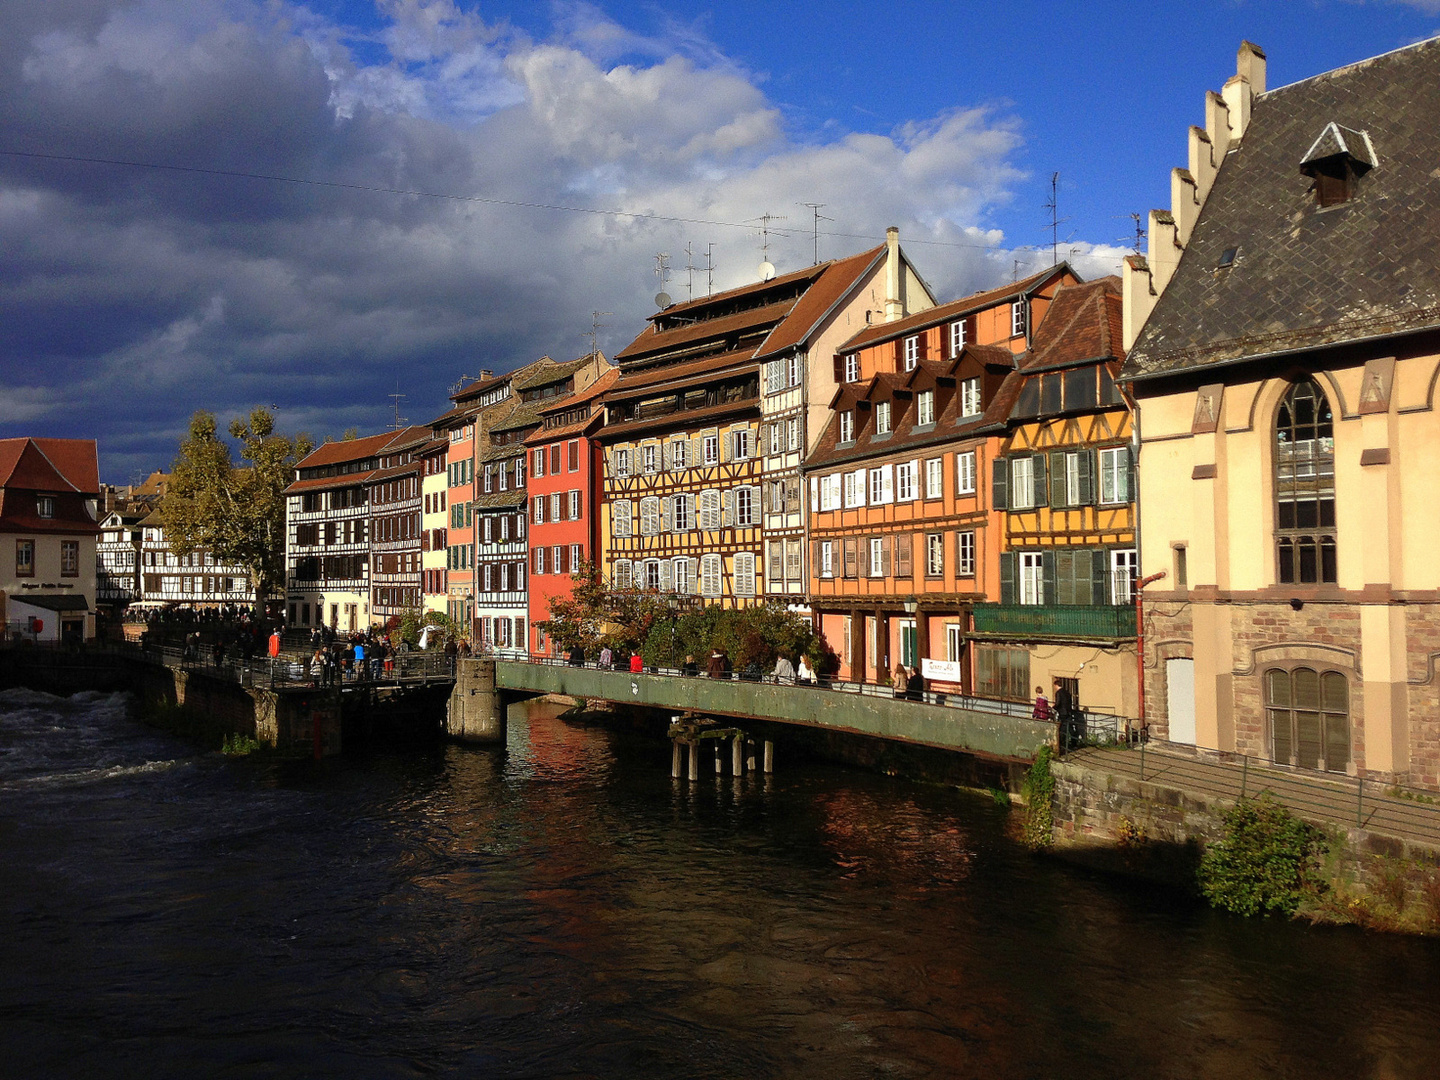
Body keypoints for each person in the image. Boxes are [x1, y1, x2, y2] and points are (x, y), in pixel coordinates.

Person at [1053, 678, 1074, 751]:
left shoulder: (1058, 693)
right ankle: (1074, 742)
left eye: (1054, 686)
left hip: (1062, 712)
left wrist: (1053, 708)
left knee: (1061, 728)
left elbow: (1058, 703)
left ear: (1056, 685)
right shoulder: (1067, 692)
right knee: (1070, 727)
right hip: (1068, 711)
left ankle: (1062, 743)